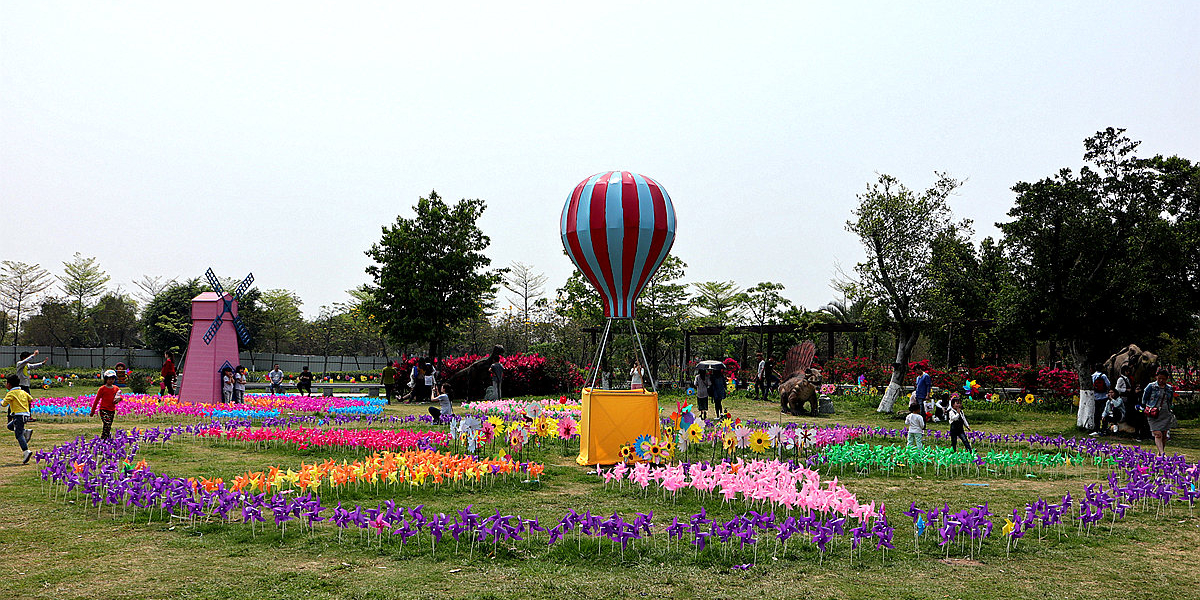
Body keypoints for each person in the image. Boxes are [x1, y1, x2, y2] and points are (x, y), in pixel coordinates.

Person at [1140, 367, 1178, 455]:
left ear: (1166, 379)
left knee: (1164, 435)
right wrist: (1146, 407)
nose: (1161, 380)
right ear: (1156, 377)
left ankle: (1160, 453)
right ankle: (1162, 453)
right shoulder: (1151, 386)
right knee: (1157, 434)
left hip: (1165, 413)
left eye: (1163, 379)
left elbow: (1170, 400)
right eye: (1159, 378)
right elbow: (1144, 398)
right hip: (1153, 413)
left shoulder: (1169, 388)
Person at [3, 374, 34, 464]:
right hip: (26, 415)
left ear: (9, 384)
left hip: (18, 415)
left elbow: (4, 404)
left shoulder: (11, 393)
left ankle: (26, 451)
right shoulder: (23, 392)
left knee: (18, 435)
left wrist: (2, 402)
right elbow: (31, 399)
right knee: (10, 426)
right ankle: (26, 431)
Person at [88, 370, 121, 440]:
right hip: (104, 410)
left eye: (112, 379)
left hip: (112, 410)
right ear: (106, 379)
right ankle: (103, 439)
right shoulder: (102, 389)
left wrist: (119, 398)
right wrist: (92, 411)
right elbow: (96, 400)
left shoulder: (116, 388)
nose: (111, 381)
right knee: (107, 424)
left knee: (108, 425)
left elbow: (120, 396)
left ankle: (107, 439)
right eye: (109, 379)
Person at [1089, 364, 1112, 435]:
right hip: (1103, 397)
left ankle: (1097, 428)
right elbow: (1108, 384)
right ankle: (1104, 428)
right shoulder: (1103, 376)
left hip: (1096, 397)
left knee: (1096, 413)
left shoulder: (1092, 376)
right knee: (1104, 413)